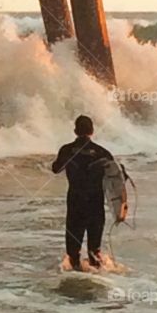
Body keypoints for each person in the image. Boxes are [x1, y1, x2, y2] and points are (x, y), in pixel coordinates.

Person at [51, 114, 112, 271]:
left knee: (73, 253)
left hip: (75, 202)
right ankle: (96, 278)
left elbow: (56, 169)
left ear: (75, 131)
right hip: (95, 203)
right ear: (92, 131)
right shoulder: (102, 152)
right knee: (94, 251)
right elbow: (117, 178)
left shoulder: (66, 150)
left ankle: (74, 279)